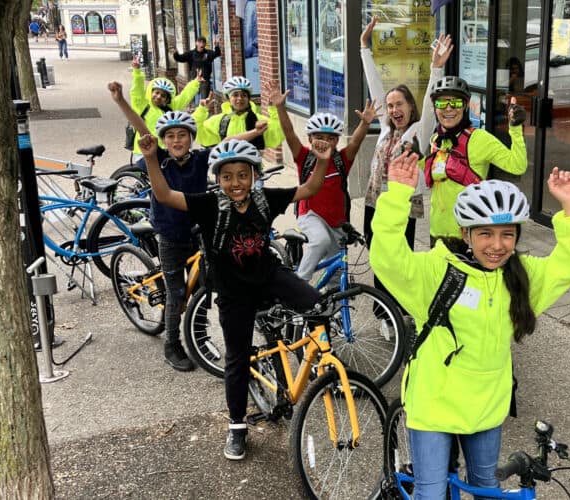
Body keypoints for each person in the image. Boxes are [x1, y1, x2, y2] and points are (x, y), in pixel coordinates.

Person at [369, 152, 570, 498]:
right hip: (434, 404)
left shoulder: (521, 277)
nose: (496, 245)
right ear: (465, 232)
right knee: (430, 494)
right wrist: (398, 196)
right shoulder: (436, 272)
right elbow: (387, 258)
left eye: (507, 235)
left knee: (486, 489)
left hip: (486, 406)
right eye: (485, 234)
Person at [137, 133, 332, 461]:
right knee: (237, 358)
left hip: (269, 276)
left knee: (319, 304)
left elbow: (310, 189)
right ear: (217, 179)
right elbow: (165, 194)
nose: (236, 183)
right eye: (227, 177)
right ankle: (237, 426)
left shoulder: (265, 198)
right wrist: (152, 159)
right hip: (233, 291)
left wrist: (322, 161)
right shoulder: (209, 203)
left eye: (243, 175)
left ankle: (317, 368)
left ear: (254, 175)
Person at [109, 82, 268, 372]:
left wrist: (254, 133)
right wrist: (121, 101)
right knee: (177, 293)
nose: (177, 140)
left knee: (207, 285)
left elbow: (226, 143)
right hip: (170, 235)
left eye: (182, 135)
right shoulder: (157, 159)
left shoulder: (199, 159)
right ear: (164, 140)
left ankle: (199, 335)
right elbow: (143, 130)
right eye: (170, 136)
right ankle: (172, 345)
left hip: (198, 232)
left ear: (191, 138)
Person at [360, 16, 452, 301]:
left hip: (402, 207)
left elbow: (429, 103)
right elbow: (376, 88)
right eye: (390, 105)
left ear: (410, 106)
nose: (393, 108)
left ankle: (398, 308)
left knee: (398, 261)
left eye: (399, 103)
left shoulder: (418, 133)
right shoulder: (387, 127)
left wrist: (436, 69)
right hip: (374, 202)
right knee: (377, 255)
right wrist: (364, 47)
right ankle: (382, 310)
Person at [266, 81, 378, 281]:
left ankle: (332, 310)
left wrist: (365, 123)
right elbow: (290, 133)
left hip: (337, 222)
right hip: (310, 216)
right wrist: (280, 108)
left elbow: (356, 141)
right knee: (320, 241)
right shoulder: (305, 157)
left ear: (336, 141)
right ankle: (299, 284)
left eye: (330, 138)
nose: (324, 142)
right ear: (309, 139)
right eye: (318, 137)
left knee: (336, 275)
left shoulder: (341, 160)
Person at [424, 75, 528, 245]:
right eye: (441, 103)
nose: (448, 109)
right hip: (436, 233)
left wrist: (515, 129)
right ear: (435, 107)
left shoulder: (479, 139)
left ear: (465, 106)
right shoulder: (437, 139)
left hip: (467, 236)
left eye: (456, 103)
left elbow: (517, 166)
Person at [128, 56, 202, 156]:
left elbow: (184, 96)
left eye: (163, 96)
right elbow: (137, 91)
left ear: (166, 100)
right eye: (156, 92)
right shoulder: (142, 106)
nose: (158, 97)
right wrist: (137, 72)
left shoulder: (169, 108)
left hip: (164, 151)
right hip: (144, 152)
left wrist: (195, 82)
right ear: (151, 91)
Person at [192, 75, 283, 151]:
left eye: (244, 95)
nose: (239, 98)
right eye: (235, 95)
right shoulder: (219, 121)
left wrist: (274, 107)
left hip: (252, 169)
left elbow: (279, 133)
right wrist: (202, 110)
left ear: (248, 98)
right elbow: (195, 131)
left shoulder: (258, 120)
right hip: (226, 168)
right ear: (228, 98)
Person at [172, 35, 221, 103]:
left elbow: (217, 53)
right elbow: (180, 58)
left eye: (203, 42)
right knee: (189, 96)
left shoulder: (208, 53)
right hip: (194, 80)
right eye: (200, 42)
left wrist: (216, 46)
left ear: (205, 44)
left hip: (204, 80)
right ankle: (191, 106)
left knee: (204, 100)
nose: (201, 44)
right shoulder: (191, 54)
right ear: (196, 43)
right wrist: (175, 54)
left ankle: (202, 109)